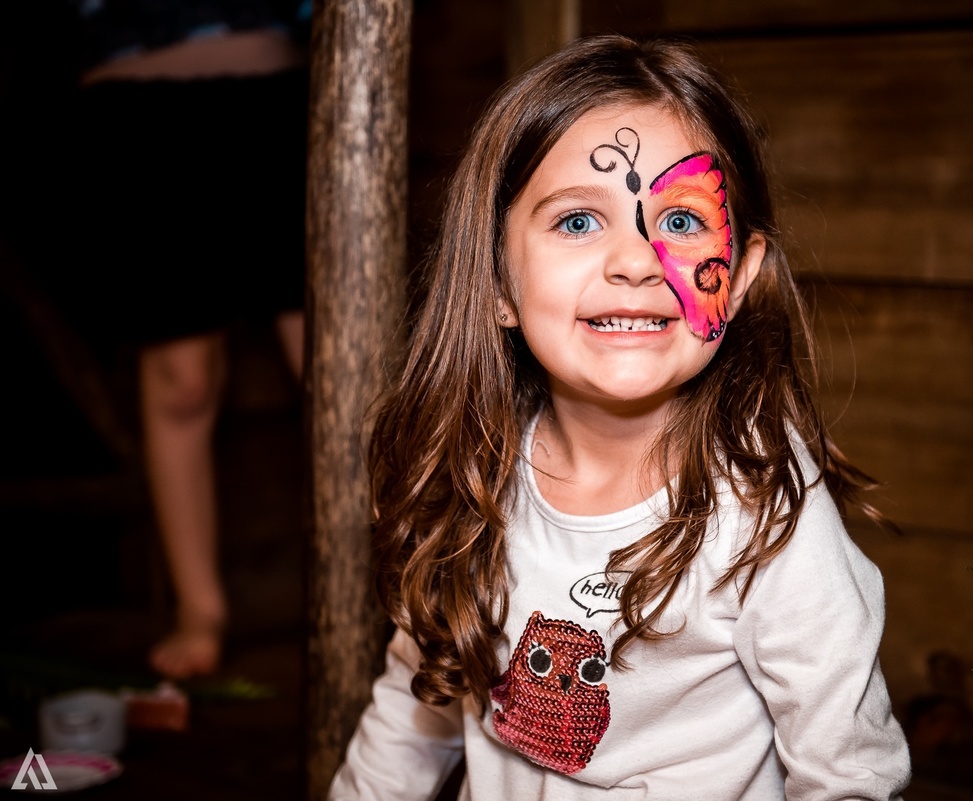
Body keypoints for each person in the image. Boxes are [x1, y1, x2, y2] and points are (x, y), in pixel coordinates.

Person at [329, 35, 911, 800]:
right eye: (577, 222)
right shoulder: (470, 479)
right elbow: (414, 713)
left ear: (736, 280)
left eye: (679, 222)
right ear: (497, 282)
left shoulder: (769, 517)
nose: (635, 262)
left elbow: (852, 777)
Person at [70, 0, 310, 679]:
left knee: (330, 362)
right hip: (136, 109)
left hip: (273, 90)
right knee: (183, 374)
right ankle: (200, 607)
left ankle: (391, 589)